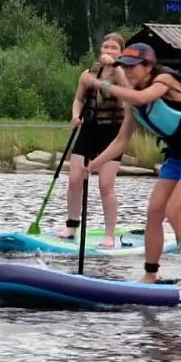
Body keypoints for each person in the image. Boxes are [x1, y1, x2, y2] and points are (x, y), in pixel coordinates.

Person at [81, 43, 181, 286]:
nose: (130, 72)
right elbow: (120, 141)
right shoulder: (133, 103)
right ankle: (150, 273)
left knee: (174, 213)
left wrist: (100, 83)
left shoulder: (164, 80)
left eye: (134, 67)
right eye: (126, 67)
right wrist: (93, 164)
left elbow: (143, 96)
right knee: (154, 212)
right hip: (176, 157)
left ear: (148, 66)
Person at [57, 32, 129, 248]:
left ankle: (109, 235)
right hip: (88, 129)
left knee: (105, 185)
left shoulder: (120, 73)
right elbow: (78, 100)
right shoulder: (87, 74)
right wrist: (75, 115)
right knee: (74, 179)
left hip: (112, 132)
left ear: (121, 53)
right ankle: (72, 225)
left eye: (113, 48)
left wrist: (115, 66)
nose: (108, 51)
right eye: (105, 47)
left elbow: (128, 93)